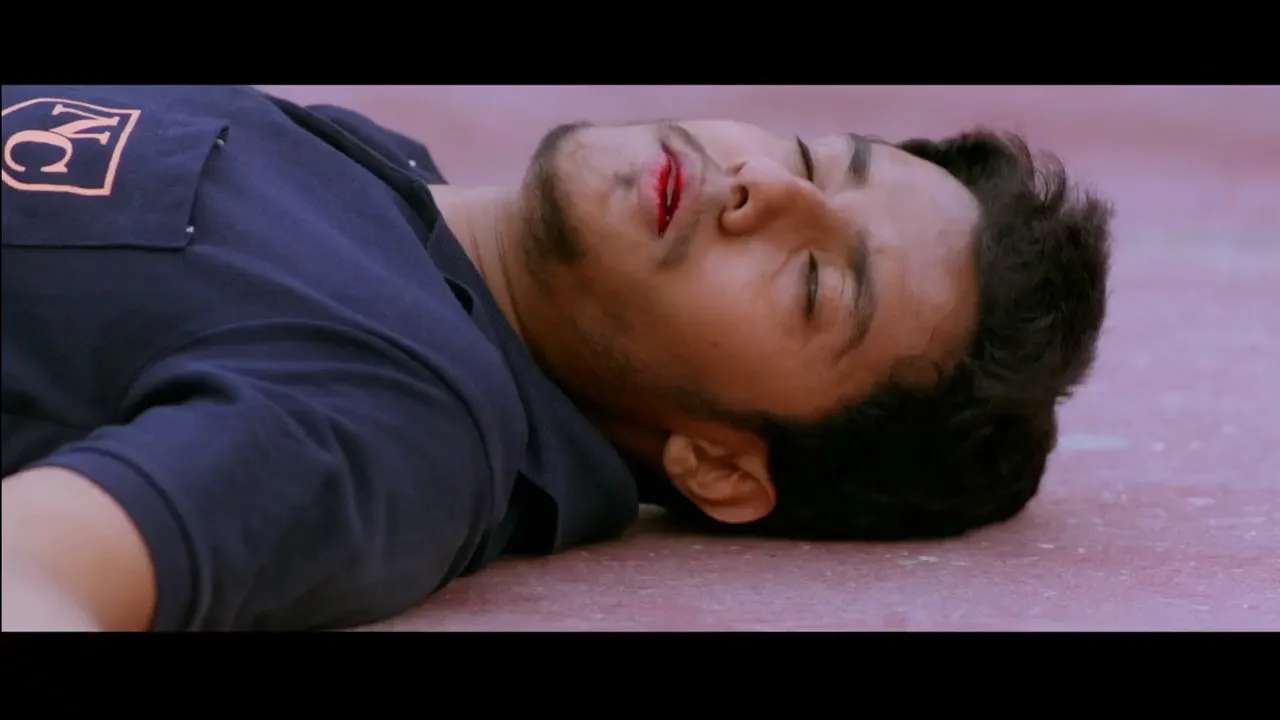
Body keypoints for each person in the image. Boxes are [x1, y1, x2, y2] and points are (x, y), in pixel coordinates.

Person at [0, 85, 1112, 631]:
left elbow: (35, 573)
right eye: (815, 161)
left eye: (814, 284)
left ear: (719, 465)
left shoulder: (403, 411)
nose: (763, 189)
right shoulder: (379, 169)